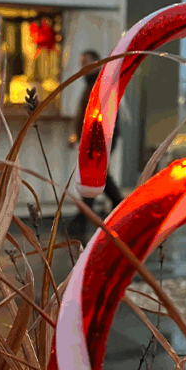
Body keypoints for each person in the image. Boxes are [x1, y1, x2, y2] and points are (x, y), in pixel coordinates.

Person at [67, 48, 124, 238]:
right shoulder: (92, 84)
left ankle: (85, 218)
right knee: (99, 178)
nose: (83, 67)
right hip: (95, 139)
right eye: (81, 63)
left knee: (95, 178)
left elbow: (100, 115)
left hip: (100, 139)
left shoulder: (100, 84)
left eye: (86, 63)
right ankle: (117, 210)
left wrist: (93, 140)